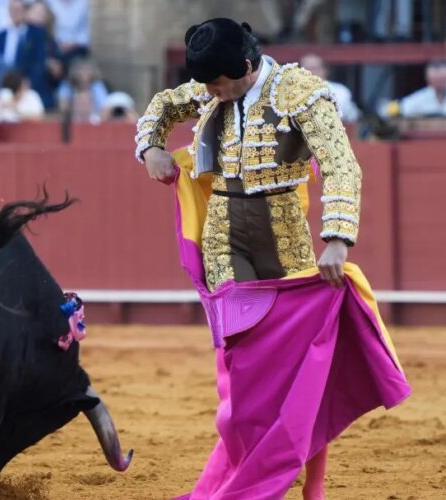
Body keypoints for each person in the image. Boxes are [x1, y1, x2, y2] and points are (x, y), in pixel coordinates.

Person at [134, 18, 410, 499]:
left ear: (246, 66)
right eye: (206, 86)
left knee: (307, 370)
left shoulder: (302, 92)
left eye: (218, 84)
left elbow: (341, 163)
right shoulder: (211, 89)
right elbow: (162, 106)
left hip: (286, 237)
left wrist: (338, 239)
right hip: (224, 235)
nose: (211, 94)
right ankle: (251, 479)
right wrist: (150, 148)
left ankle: (313, 486)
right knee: (241, 373)